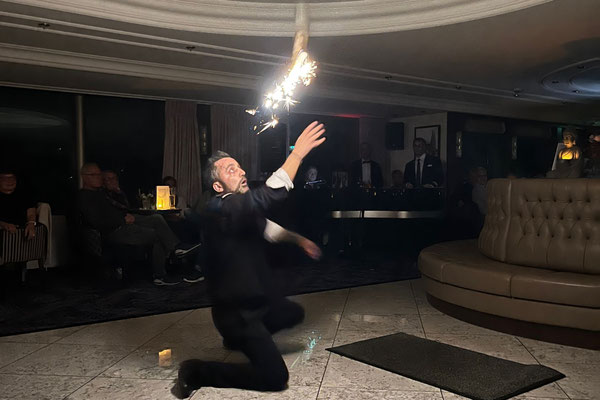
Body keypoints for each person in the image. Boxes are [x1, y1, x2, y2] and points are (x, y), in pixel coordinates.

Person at [172, 121, 326, 398]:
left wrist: (300, 240)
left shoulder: (239, 209)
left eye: (240, 167)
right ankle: (196, 370)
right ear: (217, 185)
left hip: (258, 302)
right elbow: (267, 196)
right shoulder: (220, 207)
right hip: (237, 313)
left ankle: (238, 341)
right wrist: (296, 155)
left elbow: (269, 229)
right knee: (275, 377)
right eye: (231, 170)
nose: (242, 171)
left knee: (293, 312)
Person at [78, 163, 199, 285]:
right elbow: (96, 220)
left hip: (125, 220)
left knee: (157, 218)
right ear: (84, 177)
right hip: (115, 229)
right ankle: (160, 276)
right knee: (157, 235)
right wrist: (122, 220)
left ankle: (177, 247)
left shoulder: (101, 193)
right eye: (94, 175)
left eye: (99, 174)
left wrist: (120, 199)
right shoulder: (85, 196)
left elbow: (123, 207)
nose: (98, 177)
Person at [0, 168, 37, 240]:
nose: (10, 181)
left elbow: (31, 212)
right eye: (5, 179)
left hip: (22, 235)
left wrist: (31, 223)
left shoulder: (23, 194)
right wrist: (3, 225)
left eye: (12, 178)